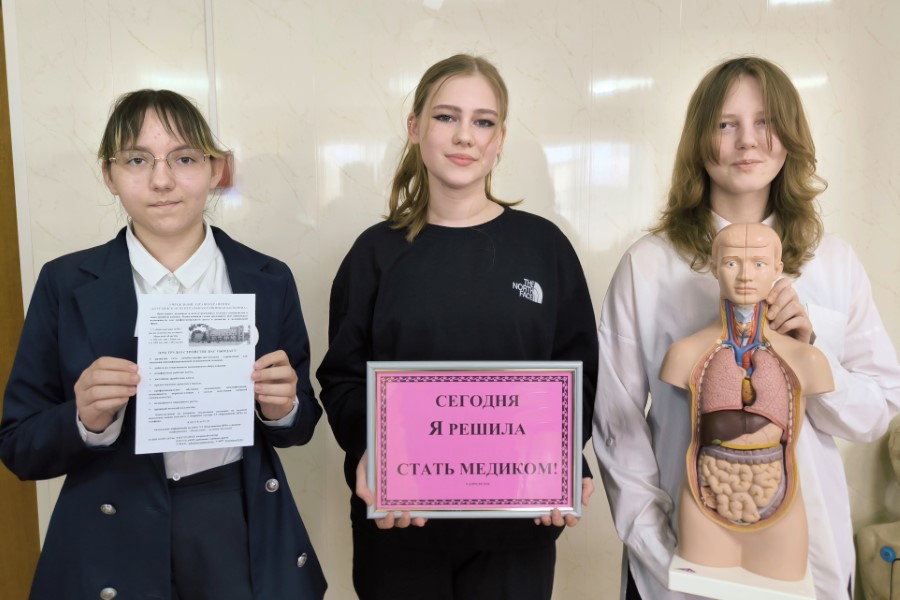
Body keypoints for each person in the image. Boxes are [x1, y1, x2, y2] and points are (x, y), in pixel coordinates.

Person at [592, 56, 900, 599]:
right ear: (700, 139)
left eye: (765, 122)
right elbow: (617, 422)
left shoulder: (834, 262)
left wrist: (811, 355)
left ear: (790, 136)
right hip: (683, 559)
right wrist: (657, 547)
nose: (748, 141)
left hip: (809, 562)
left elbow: (879, 412)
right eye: (726, 124)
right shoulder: (648, 266)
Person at [0, 90, 326, 600]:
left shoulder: (267, 279)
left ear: (216, 169)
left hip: (233, 518)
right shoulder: (65, 283)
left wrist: (283, 410)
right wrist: (83, 420)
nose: (161, 180)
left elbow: (300, 424)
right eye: (137, 160)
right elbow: (18, 446)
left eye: (184, 158)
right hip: (111, 524)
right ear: (109, 175)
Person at [316, 54, 599, 600]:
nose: (465, 135)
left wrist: (562, 456)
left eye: (482, 121)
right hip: (401, 527)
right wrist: (373, 450)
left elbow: (579, 373)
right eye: (446, 117)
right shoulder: (374, 254)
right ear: (415, 128)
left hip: (518, 525)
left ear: (500, 139)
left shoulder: (545, 247)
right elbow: (343, 379)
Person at [660, 223, 833, 581]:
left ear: (777, 268)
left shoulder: (808, 358)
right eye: (732, 263)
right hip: (705, 496)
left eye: (758, 263)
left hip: (780, 502)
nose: (744, 276)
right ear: (713, 266)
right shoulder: (684, 354)